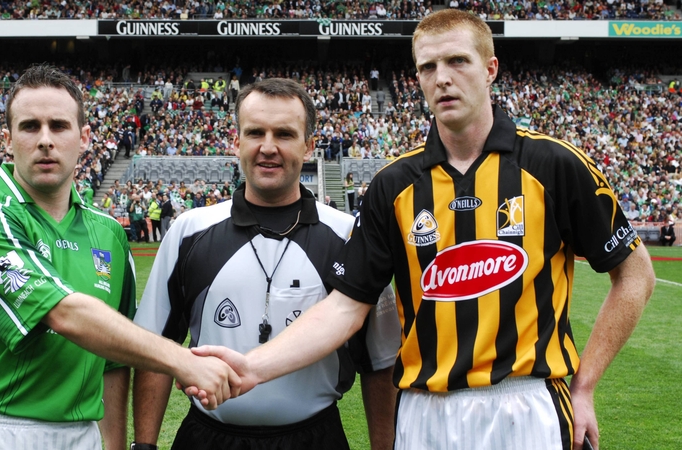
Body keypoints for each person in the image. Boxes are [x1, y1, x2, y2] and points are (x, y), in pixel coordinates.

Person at [190, 11, 655, 450]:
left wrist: (586, 383)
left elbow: (635, 275)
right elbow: (345, 307)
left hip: (529, 401)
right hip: (423, 409)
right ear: (417, 79)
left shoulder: (553, 164)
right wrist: (254, 367)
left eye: (457, 61)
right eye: (428, 66)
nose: (442, 77)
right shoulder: (392, 185)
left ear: (491, 68)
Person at [0, 64, 239, 450]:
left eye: (58, 126)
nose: (44, 140)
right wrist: (183, 361)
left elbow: (113, 359)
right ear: (8, 140)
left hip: (79, 436)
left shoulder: (108, 233)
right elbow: (64, 313)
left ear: (84, 137)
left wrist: (116, 446)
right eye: (29, 127)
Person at [132, 78, 399, 450]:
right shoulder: (189, 231)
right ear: (236, 141)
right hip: (208, 438)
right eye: (255, 132)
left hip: (315, 438)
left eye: (285, 134)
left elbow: (380, 364)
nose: (268, 148)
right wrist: (143, 446)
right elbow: (154, 347)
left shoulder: (350, 237)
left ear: (309, 146)